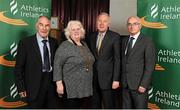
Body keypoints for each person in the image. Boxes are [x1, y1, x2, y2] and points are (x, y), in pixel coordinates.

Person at [14, 16, 59, 108]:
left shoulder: (54, 42)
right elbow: (18, 68)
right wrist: (21, 88)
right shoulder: (25, 43)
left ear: (50, 27)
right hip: (34, 87)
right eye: (41, 25)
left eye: (47, 25)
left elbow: (58, 65)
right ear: (36, 26)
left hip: (52, 86)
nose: (44, 28)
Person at [53, 20, 95, 109]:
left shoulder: (84, 44)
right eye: (73, 30)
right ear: (69, 32)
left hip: (85, 87)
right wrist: (59, 84)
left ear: (82, 31)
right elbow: (57, 65)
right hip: (71, 88)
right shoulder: (65, 46)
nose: (76, 31)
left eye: (78, 29)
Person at [121, 16, 156, 109]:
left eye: (135, 24)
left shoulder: (147, 41)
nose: (132, 26)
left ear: (140, 26)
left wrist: (144, 84)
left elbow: (150, 65)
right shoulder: (124, 40)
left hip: (139, 86)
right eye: (129, 24)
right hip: (125, 85)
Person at [87, 12, 121, 108]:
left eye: (105, 21)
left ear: (108, 24)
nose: (102, 23)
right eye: (99, 21)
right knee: (94, 105)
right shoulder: (91, 36)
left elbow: (117, 59)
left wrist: (116, 79)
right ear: (96, 22)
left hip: (108, 80)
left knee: (109, 106)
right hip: (93, 79)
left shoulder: (115, 37)